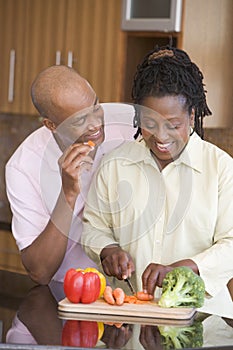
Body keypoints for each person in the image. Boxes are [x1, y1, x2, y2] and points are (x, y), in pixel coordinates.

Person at [82, 46, 233, 311]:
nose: (161, 137)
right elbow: (94, 226)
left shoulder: (221, 169)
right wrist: (108, 249)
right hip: (128, 312)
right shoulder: (115, 164)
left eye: (173, 125)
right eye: (150, 124)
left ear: (192, 115)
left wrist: (187, 268)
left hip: (202, 318)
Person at [5, 65, 136, 285]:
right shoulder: (24, 166)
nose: (95, 124)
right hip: (72, 292)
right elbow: (40, 271)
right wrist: (68, 194)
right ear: (51, 125)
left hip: (135, 283)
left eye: (95, 106)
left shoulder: (127, 127)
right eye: (79, 120)